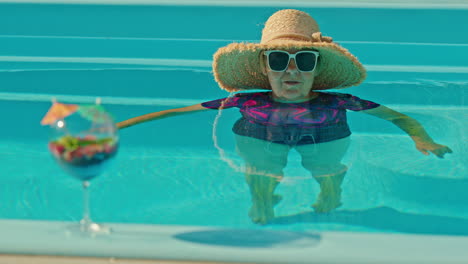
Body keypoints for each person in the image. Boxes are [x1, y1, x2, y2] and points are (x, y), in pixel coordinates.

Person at [117, 9, 452, 224]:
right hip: (258, 133)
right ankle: (263, 200)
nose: (291, 70)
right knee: (261, 172)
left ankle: (329, 195)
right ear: (265, 67)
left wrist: (423, 138)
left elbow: (398, 117)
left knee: (327, 171)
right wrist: (117, 126)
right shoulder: (246, 102)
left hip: (325, 133)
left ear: (317, 67)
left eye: (304, 61)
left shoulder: (339, 102)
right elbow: (174, 112)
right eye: (278, 60)